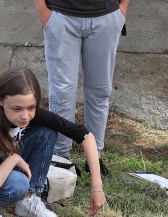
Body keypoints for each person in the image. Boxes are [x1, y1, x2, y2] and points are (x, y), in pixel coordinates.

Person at [0, 67, 106, 217]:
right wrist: (13, 159)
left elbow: (85, 136)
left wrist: (97, 188)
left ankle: (27, 200)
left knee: (46, 132)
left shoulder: (29, 114)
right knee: (17, 184)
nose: (25, 116)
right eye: (17, 109)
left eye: (31, 107)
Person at [34, 0, 129, 175]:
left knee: (100, 92)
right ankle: (61, 159)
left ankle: (95, 158)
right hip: (61, 15)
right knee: (61, 94)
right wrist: (43, 11)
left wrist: (122, 9)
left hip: (107, 16)